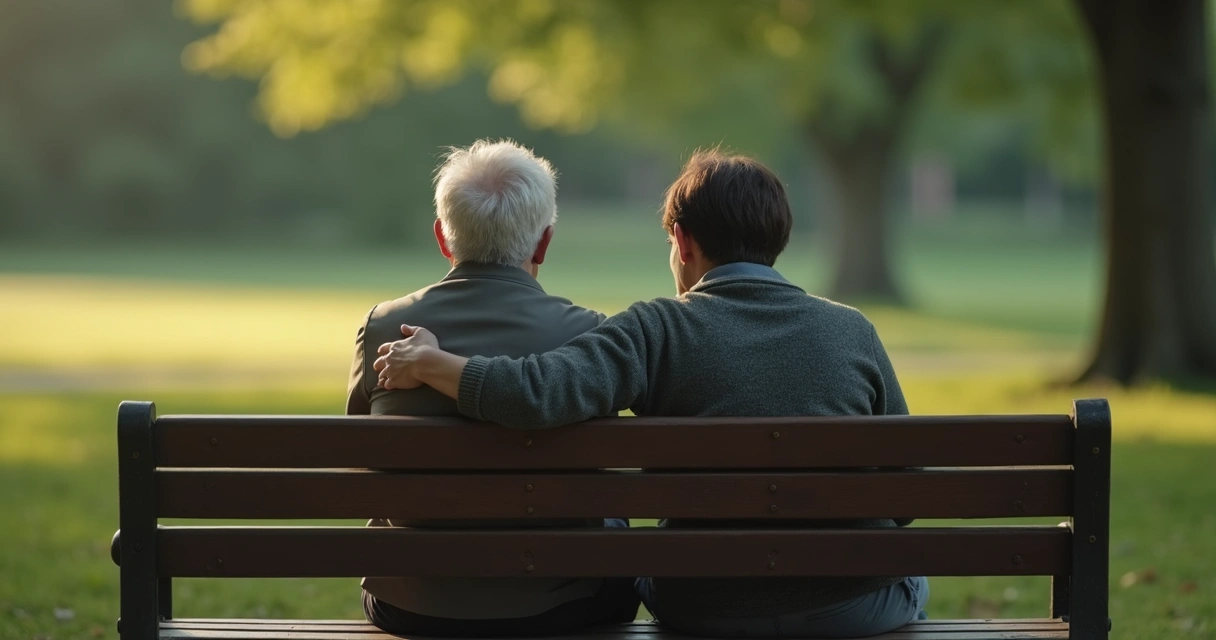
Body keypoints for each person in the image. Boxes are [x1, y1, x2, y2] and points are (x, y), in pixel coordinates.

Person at [373, 149, 929, 638]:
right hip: (850, 607)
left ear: (683, 243)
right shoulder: (853, 329)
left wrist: (434, 362)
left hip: (701, 606)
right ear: (775, 237)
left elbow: (535, 393)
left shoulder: (655, 329)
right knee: (912, 578)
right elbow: (905, 499)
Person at [348, 139, 639, 637]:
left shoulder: (383, 329)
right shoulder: (589, 334)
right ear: (543, 242)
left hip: (414, 602)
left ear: (443, 237)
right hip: (564, 602)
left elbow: (359, 458)